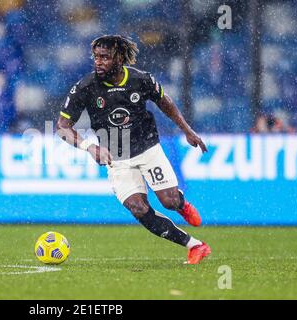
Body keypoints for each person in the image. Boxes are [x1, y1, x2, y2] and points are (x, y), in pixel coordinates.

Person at [56, 35, 211, 264]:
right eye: (96, 57)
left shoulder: (141, 80)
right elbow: (62, 127)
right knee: (138, 209)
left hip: (148, 150)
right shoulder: (86, 87)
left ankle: (181, 204)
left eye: (105, 57)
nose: (98, 62)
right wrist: (90, 147)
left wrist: (187, 130)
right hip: (116, 159)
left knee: (168, 201)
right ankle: (195, 245)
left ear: (119, 58)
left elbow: (164, 101)